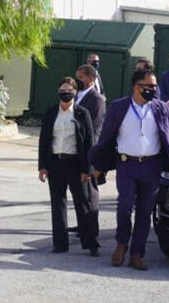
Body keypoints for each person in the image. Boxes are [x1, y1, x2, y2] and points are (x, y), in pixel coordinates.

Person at [91, 68, 169, 270]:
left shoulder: (161, 108)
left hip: (152, 166)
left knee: (145, 210)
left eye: (154, 86)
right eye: (148, 86)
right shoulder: (119, 107)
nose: (153, 90)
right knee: (125, 206)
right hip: (127, 165)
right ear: (136, 87)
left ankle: (137, 253)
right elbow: (106, 137)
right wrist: (99, 165)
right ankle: (121, 244)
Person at [38, 77, 99, 256]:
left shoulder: (82, 113)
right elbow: (44, 140)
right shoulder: (51, 112)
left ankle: (91, 243)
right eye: (62, 90)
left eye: (69, 91)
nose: (66, 94)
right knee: (58, 204)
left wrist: (87, 170)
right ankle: (60, 243)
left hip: (76, 164)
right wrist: (42, 166)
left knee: (83, 203)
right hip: (55, 162)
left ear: (75, 92)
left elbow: (89, 142)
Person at [72, 64, 106, 236]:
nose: (77, 80)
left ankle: (91, 228)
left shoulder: (96, 99)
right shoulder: (76, 96)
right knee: (78, 191)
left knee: (89, 191)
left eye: (81, 77)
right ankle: (81, 224)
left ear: (91, 79)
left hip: (89, 150)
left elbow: (93, 126)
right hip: (74, 149)